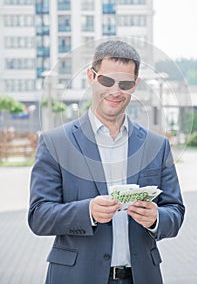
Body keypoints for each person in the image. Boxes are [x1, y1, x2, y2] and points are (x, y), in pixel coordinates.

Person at [28, 40, 185, 284]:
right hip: (76, 277)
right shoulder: (55, 143)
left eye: (125, 83)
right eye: (106, 80)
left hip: (141, 277)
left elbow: (175, 212)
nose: (115, 91)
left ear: (135, 85)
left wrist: (156, 218)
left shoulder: (156, 146)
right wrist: (87, 211)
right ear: (91, 76)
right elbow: (39, 216)